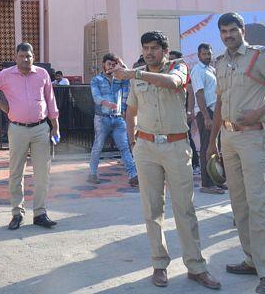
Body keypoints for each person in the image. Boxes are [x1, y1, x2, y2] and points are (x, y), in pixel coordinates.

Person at [118, 31, 221, 290]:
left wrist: (134, 73)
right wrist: (133, 143)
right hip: (146, 147)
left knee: (184, 209)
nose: (149, 52)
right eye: (145, 48)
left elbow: (174, 83)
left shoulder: (179, 67)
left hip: (176, 146)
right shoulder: (137, 77)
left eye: (154, 48)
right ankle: (159, 264)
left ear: (165, 50)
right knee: (152, 210)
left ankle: (196, 266)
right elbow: (131, 112)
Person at [207, 12, 265, 294]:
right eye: (224, 32)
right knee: (239, 204)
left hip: (254, 136)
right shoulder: (220, 62)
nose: (228, 35)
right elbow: (220, 102)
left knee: (258, 204)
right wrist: (212, 142)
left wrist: (258, 112)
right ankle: (251, 260)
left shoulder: (259, 56)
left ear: (242, 30)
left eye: (233, 30)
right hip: (228, 137)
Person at [0, 42, 60, 230]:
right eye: (22, 56)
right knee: (16, 173)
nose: (25, 59)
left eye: (28, 56)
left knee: (42, 173)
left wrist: (55, 127)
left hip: (41, 129)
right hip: (17, 130)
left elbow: (51, 100)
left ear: (33, 57)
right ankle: (17, 213)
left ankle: (40, 213)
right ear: (16, 57)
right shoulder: (5, 75)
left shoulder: (42, 74)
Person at [88, 53, 137, 186]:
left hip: (117, 118)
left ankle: (133, 175)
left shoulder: (120, 79)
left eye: (114, 64)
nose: (111, 66)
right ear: (103, 64)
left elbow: (129, 78)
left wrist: (123, 65)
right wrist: (106, 103)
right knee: (98, 146)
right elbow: (96, 97)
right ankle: (92, 173)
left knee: (124, 147)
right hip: (102, 118)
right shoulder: (96, 80)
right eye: (109, 64)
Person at [192, 43, 223, 194]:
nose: (207, 56)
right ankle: (207, 184)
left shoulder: (211, 69)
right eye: (204, 54)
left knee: (217, 147)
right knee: (207, 147)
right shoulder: (197, 70)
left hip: (216, 112)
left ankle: (217, 180)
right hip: (206, 113)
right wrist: (206, 117)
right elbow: (199, 94)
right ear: (198, 55)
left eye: (209, 54)